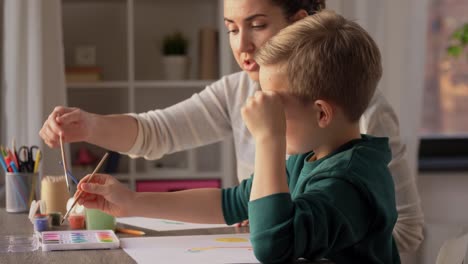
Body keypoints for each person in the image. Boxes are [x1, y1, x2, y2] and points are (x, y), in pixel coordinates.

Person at [39, 0, 423, 252]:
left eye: (255, 25)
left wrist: (269, 139)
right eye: (231, 28)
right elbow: (229, 202)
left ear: (322, 114)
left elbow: (276, 242)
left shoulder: (347, 175)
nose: (241, 46)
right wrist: (133, 202)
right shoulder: (308, 154)